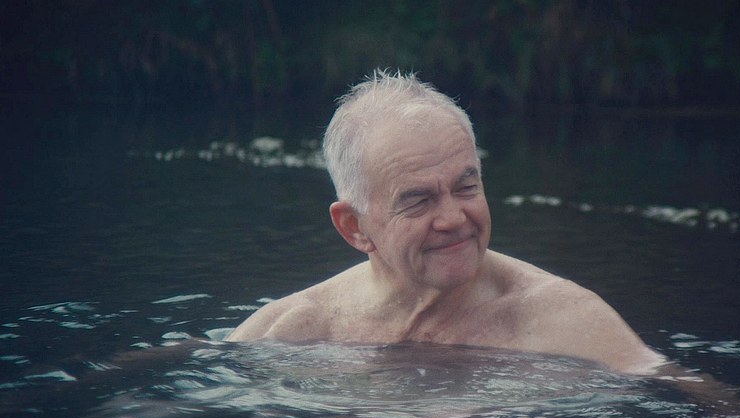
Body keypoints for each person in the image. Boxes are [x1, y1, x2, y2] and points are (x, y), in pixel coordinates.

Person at [227, 69, 666, 375]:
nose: (454, 219)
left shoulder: (567, 323)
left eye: (466, 187)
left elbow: (679, 392)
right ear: (354, 227)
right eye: (419, 201)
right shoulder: (294, 330)